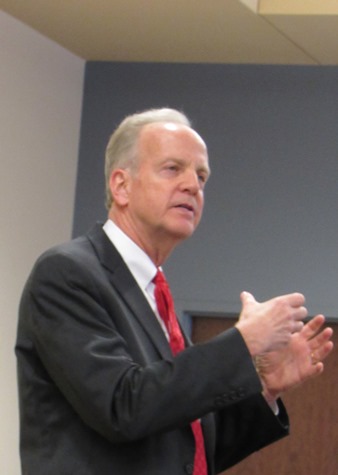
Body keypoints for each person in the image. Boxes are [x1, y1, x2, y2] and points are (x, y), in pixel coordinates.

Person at [16, 108, 333, 475]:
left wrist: (263, 386)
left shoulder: (153, 293)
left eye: (201, 176)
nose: (193, 185)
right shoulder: (67, 273)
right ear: (121, 185)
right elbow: (122, 408)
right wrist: (241, 344)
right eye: (172, 169)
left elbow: (186, 449)